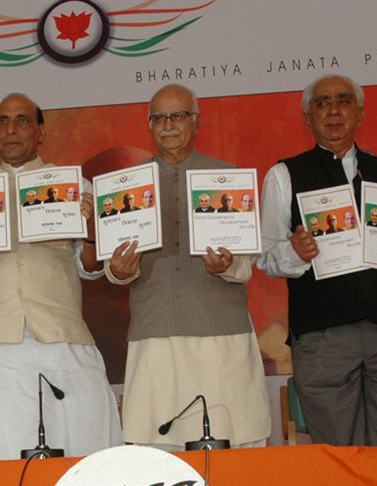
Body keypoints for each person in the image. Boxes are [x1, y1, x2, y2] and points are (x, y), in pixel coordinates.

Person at [0, 92, 121, 461]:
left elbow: (90, 267)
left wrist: (93, 224)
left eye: (22, 120)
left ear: (41, 131)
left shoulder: (75, 187)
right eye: (3, 121)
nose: (11, 129)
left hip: (59, 336)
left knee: (77, 450)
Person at [260, 74, 377, 446]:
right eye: (322, 102)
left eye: (343, 100)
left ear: (360, 114)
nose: (334, 110)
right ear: (307, 118)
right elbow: (267, 256)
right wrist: (295, 251)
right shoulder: (283, 175)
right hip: (323, 338)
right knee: (341, 457)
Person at [107, 83, 270, 450]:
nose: (168, 124)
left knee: (234, 450)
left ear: (196, 122)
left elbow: (247, 260)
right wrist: (119, 271)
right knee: (158, 456)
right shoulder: (127, 187)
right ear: (149, 125)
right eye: (159, 117)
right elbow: (114, 263)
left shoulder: (227, 178)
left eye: (178, 115)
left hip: (220, 332)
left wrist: (228, 265)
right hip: (155, 332)